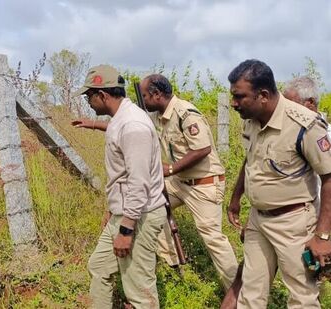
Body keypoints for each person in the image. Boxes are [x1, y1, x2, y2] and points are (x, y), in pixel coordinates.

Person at [74, 74, 239, 289]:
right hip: (179, 182)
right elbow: (127, 126)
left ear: (157, 94)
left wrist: (170, 169)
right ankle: (172, 262)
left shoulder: (185, 113)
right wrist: (94, 124)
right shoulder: (156, 116)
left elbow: (203, 148)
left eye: (144, 96)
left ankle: (237, 292)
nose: (141, 102)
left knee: (213, 239)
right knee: (152, 210)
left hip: (203, 184)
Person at [227, 59, 331, 308]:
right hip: (257, 220)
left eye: (239, 96)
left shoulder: (304, 125)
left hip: (293, 222)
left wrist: (323, 235)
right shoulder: (252, 120)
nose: (234, 103)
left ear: (263, 95)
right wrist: (235, 198)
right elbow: (250, 159)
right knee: (250, 294)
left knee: (302, 298)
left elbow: (329, 178)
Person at [75, 65, 167, 308]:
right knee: (99, 267)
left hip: (139, 217)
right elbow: (123, 178)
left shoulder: (133, 125)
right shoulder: (122, 119)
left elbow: (139, 181)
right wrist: (113, 211)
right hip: (125, 213)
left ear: (102, 95)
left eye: (89, 96)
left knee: (139, 290)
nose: (88, 102)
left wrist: (126, 230)